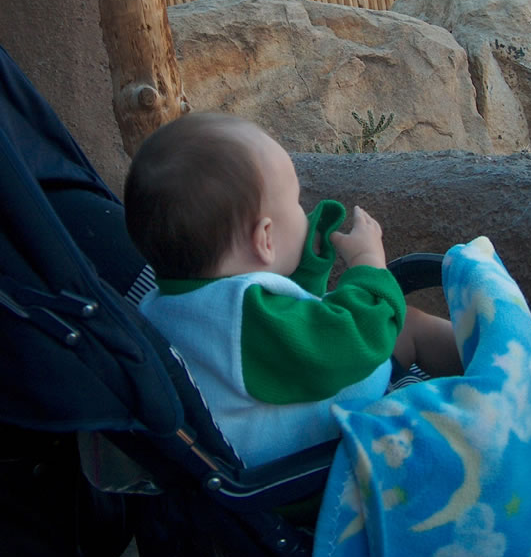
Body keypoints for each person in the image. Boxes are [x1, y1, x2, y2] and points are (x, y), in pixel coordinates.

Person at [124, 112, 461, 467]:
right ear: (265, 239)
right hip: (313, 461)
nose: (304, 213)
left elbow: (289, 326)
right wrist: (367, 262)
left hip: (265, 428)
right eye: (297, 203)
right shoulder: (244, 326)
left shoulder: (172, 304)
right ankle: (505, 365)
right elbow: (356, 340)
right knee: (409, 327)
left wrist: (306, 268)